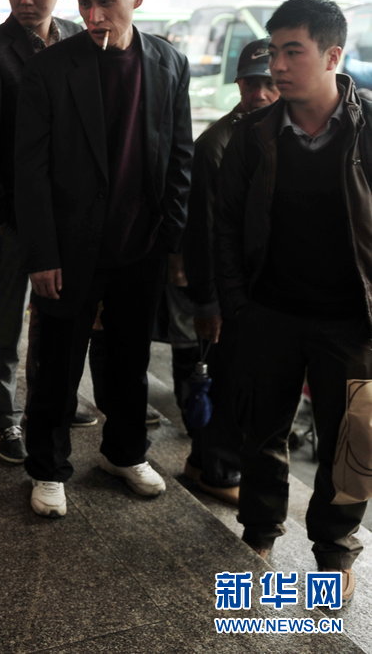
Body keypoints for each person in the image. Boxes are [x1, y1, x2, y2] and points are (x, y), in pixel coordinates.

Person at [16, 0, 192, 516]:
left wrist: (172, 239)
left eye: (106, 3)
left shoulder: (168, 62)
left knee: (128, 358)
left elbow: (180, 156)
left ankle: (125, 451)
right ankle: (47, 468)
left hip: (139, 245)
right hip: (68, 250)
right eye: (86, 3)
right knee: (58, 363)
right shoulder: (51, 69)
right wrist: (41, 254)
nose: (94, 16)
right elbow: (31, 170)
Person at [216, 0, 372, 603]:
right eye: (274, 51)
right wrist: (237, 306)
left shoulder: (368, 130)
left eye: (292, 51)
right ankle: (257, 534)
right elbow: (225, 227)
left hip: (351, 321)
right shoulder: (254, 135)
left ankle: (335, 552)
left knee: (352, 440)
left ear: (332, 56)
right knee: (263, 431)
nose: (277, 66)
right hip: (271, 313)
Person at [0, 0, 81, 464]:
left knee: (64, 316)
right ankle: (3, 416)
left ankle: (53, 400)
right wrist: (0, 222)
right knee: (8, 321)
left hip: (72, 213)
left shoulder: (78, 38)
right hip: (16, 214)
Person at [179, 38, 280, 507]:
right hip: (228, 291)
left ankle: (203, 461)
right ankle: (218, 469)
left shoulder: (278, 135)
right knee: (227, 381)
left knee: (235, 378)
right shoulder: (217, 144)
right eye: (250, 83)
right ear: (237, 83)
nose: (259, 93)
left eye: (268, 83)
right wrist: (208, 301)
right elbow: (201, 231)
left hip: (258, 291)